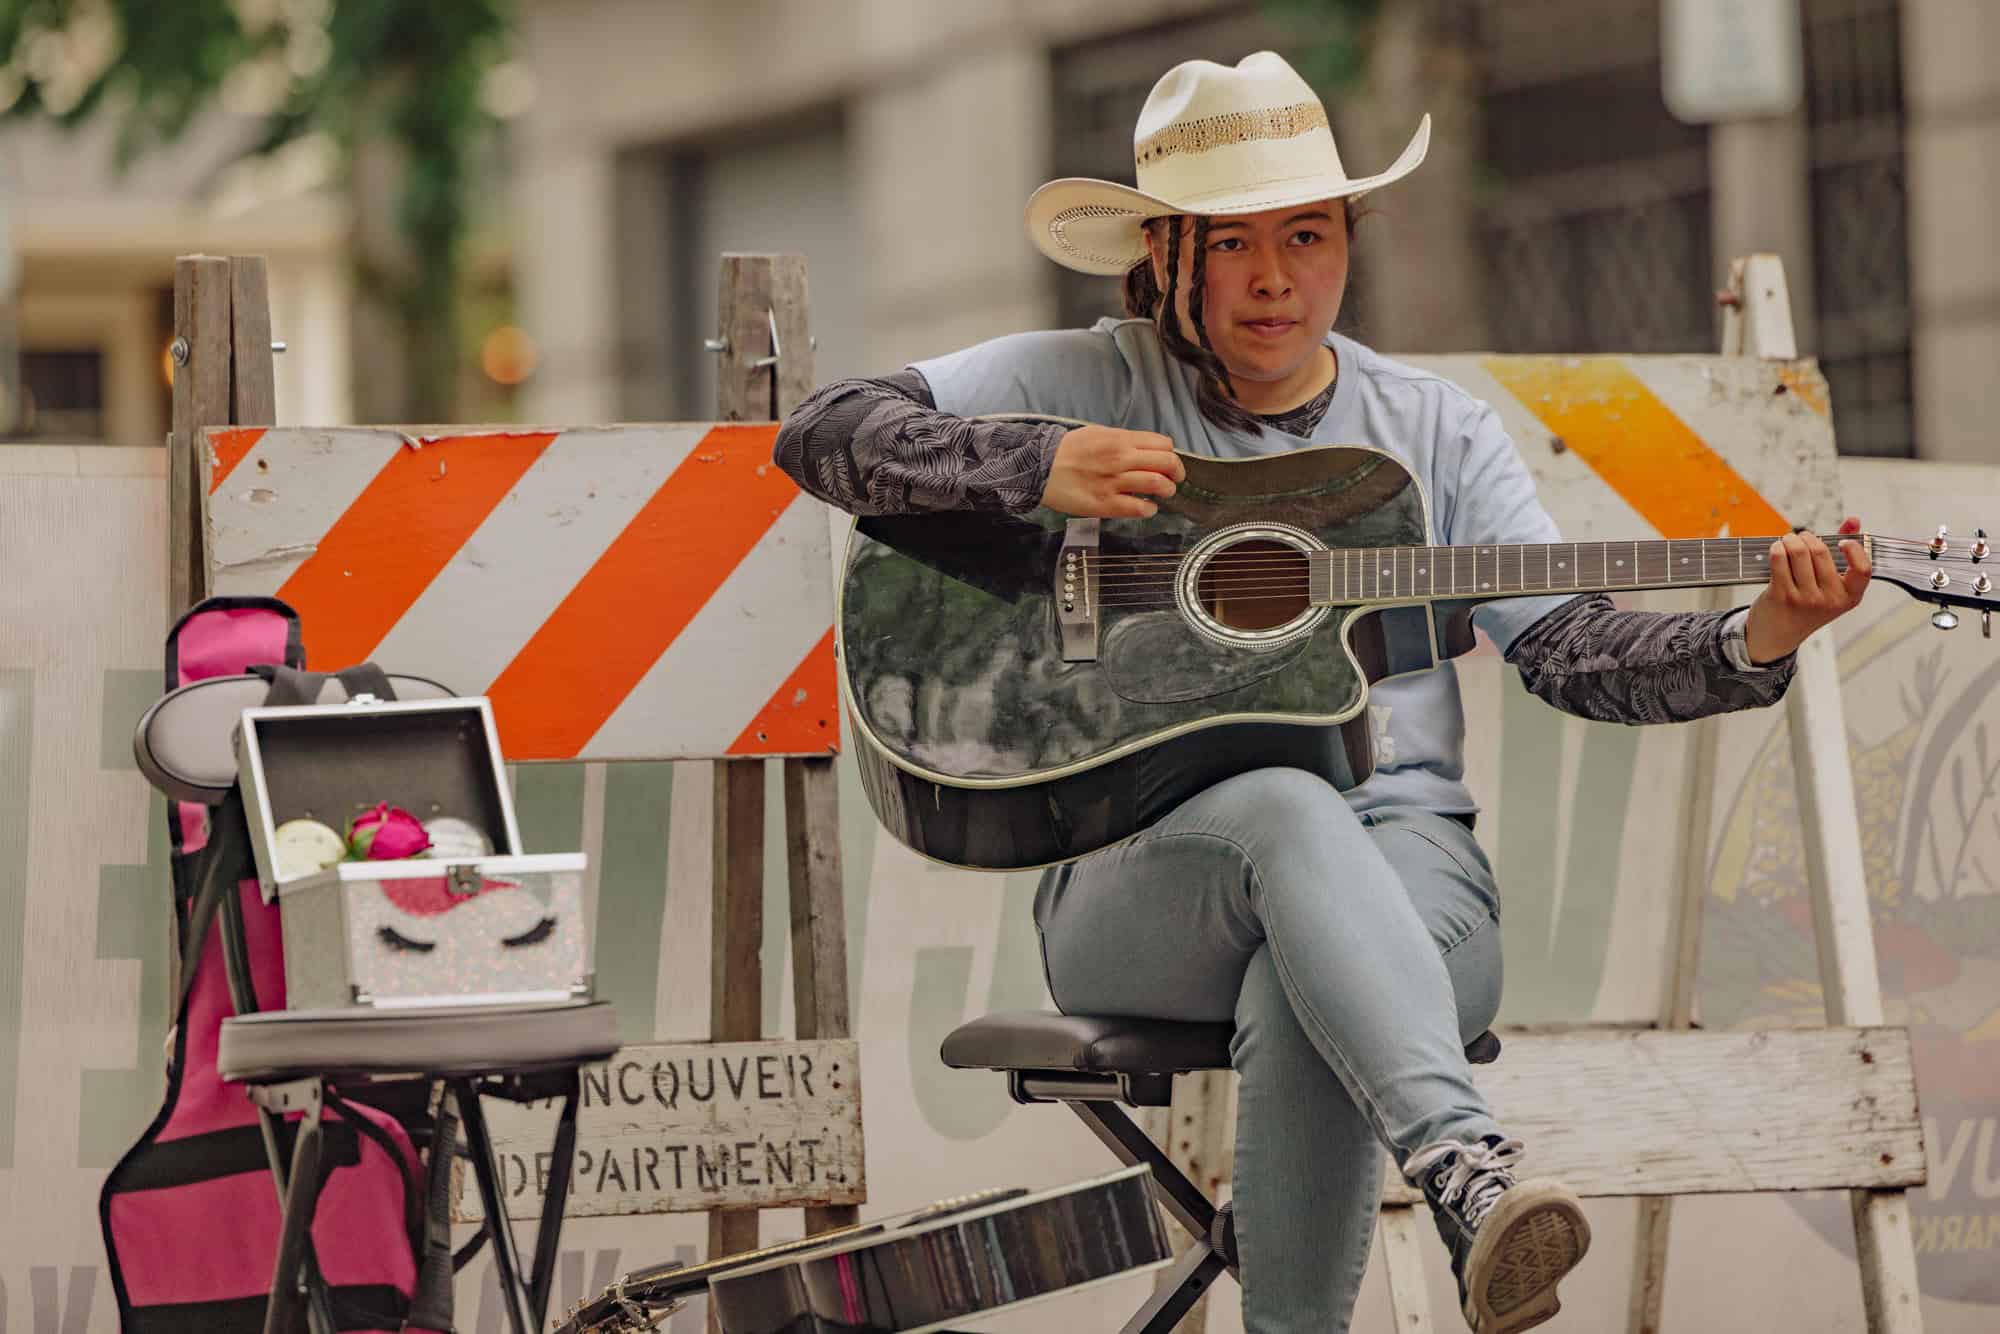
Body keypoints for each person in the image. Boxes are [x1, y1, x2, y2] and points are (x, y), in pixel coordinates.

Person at [772, 51, 1870, 1334]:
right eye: (1231, 241)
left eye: (1307, 232)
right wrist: (1029, 462)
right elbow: (822, 432)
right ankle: (1468, 1168)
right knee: (1290, 804)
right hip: (1131, 881)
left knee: (1310, 982)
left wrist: (1759, 630)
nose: (1275, 276)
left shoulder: (1435, 428)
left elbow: (1567, 648)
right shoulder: (1079, 382)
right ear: (1163, 257)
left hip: (1412, 877)